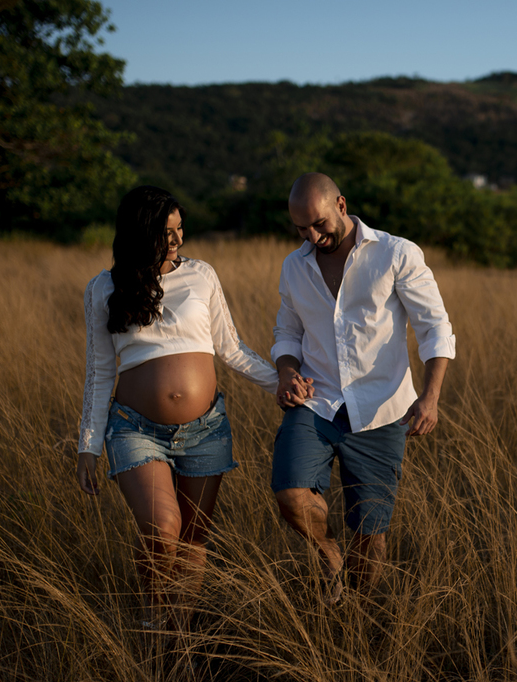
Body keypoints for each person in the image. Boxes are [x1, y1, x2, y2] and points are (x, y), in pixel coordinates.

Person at [75, 185, 310, 632]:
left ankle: (178, 636)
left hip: (206, 429)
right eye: (167, 232)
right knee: (163, 529)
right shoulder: (104, 288)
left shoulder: (201, 275)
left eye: (181, 229)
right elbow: (99, 372)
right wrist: (88, 444)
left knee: (193, 538)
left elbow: (231, 349)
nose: (178, 240)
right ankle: (151, 619)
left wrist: (280, 381)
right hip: (134, 429)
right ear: (141, 232)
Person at [270, 172, 455, 605]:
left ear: (341, 204)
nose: (313, 237)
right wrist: (285, 372)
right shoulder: (294, 266)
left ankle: (351, 620)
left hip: (382, 409)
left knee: (371, 534)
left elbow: (434, 327)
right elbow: (287, 330)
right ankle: (329, 558)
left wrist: (430, 397)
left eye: (319, 224)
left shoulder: (396, 253)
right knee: (290, 492)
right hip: (316, 403)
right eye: (301, 229)